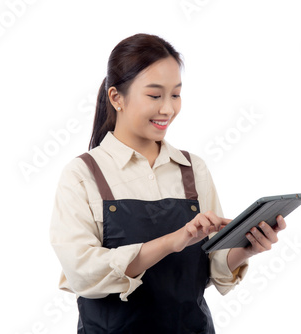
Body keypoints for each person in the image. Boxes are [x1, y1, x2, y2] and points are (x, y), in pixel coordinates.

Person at [49, 33, 287, 334]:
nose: (168, 109)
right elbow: (82, 273)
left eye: (175, 94)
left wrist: (246, 248)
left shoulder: (192, 169)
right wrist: (171, 242)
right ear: (116, 97)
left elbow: (212, 266)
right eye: (154, 95)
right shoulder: (83, 174)